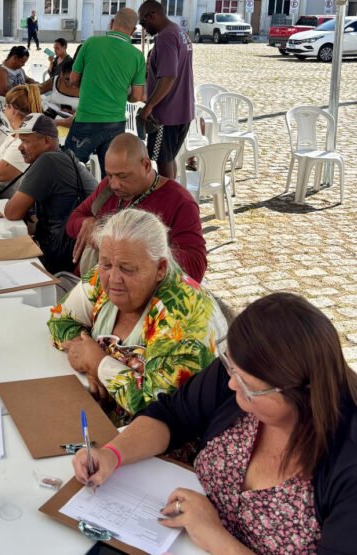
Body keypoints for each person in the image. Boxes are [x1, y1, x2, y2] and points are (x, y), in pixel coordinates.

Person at [73, 292, 357, 554]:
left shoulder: (347, 464)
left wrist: (215, 536)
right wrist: (113, 454)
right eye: (232, 369)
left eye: (248, 386)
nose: (232, 384)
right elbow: (173, 414)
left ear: (302, 395)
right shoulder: (240, 370)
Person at [49, 209, 226, 418]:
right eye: (106, 264)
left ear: (160, 268)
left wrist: (99, 364)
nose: (113, 278)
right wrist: (86, 356)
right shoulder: (106, 271)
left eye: (128, 269)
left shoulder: (184, 316)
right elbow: (61, 319)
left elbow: (157, 408)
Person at [67, 133, 207, 283]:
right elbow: (73, 220)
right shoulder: (107, 188)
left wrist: (143, 249)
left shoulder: (180, 201)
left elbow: (196, 268)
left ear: (146, 165)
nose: (114, 184)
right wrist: (87, 224)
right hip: (87, 284)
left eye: (123, 176)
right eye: (110, 175)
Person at [4, 114, 97, 274]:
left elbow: (11, 212)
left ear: (47, 140)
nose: (20, 147)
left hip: (62, 256)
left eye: (26, 141)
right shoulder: (65, 154)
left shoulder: (48, 161)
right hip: (72, 249)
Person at [65, 7, 145, 176]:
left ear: (111, 23)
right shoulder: (137, 56)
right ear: (133, 31)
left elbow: (73, 80)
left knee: (69, 170)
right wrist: (123, 94)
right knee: (112, 175)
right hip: (115, 123)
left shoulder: (91, 43)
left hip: (86, 118)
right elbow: (137, 96)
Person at [138, 0, 195, 179]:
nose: (143, 28)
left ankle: (169, 196)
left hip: (167, 114)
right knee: (168, 159)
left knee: (163, 163)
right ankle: (173, 192)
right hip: (183, 111)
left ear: (152, 15)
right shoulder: (179, 32)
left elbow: (169, 76)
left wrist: (149, 106)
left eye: (143, 22)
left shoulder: (166, 37)